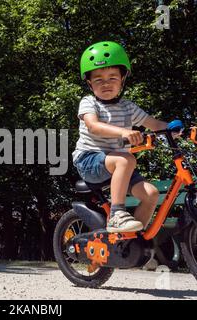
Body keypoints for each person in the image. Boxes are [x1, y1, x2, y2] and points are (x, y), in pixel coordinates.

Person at [73, 41, 184, 233]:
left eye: (112, 77)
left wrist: (181, 130)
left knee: (151, 193)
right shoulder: (89, 102)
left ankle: (132, 241)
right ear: (90, 84)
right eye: (98, 79)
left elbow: (154, 124)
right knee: (126, 159)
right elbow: (94, 126)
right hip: (90, 160)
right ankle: (117, 214)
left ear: (122, 79)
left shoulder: (128, 107)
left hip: (119, 164)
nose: (106, 83)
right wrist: (124, 132)